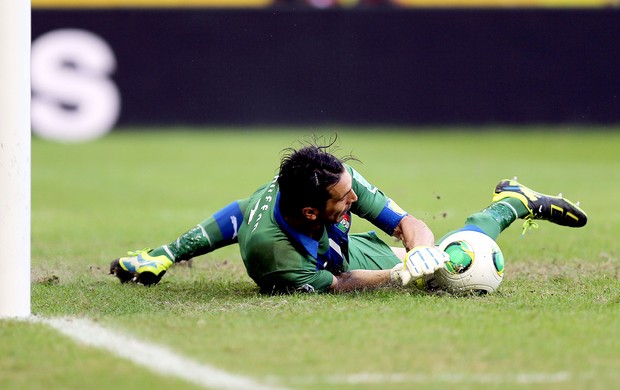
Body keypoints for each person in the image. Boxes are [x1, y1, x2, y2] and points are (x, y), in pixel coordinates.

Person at [109, 140, 587, 293]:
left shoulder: (340, 182)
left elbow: (408, 223)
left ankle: (514, 200)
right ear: (312, 209)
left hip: (339, 250)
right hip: (330, 263)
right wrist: (399, 273)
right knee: (434, 277)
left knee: (445, 258)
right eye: (342, 199)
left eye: (349, 189)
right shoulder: (271, 252)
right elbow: (336, 285)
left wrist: (419, 251)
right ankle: (512, 203)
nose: (352, 199)